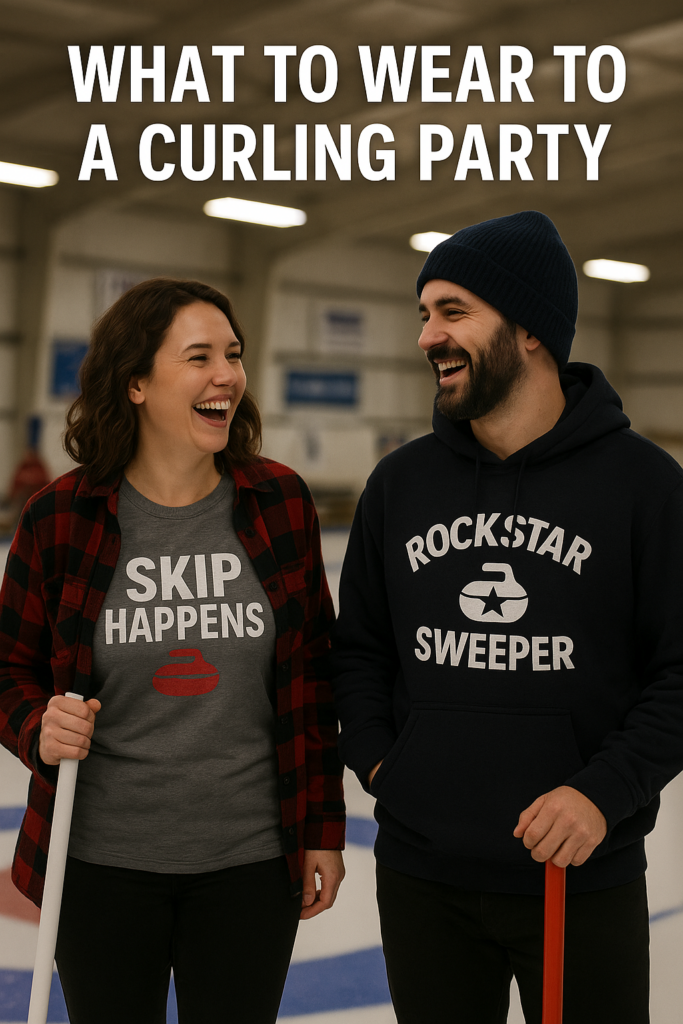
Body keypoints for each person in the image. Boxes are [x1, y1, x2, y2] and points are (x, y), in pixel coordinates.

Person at [332, 210, 683, 1024]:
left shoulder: (643, 487)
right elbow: (358, 654)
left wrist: (601, 793)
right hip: (423, 876)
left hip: (577, 874)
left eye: (452, 311)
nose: (426, 335)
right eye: (423, 314)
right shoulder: (401, 484)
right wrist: (388, 768)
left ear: (527, 329)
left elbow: (676, 671)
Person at [0, 278, 345, 1024]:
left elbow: (314, 677)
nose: (226, 374)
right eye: (198, 357)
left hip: (252, 864)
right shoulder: (61, 518)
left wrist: (322, 831)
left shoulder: (279, 502)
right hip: (99, 867)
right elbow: (9, 671)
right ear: (134, 383)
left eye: (233, 354)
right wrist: (37, 727)